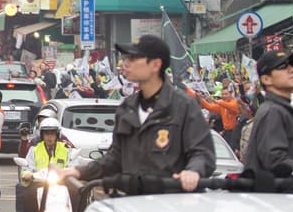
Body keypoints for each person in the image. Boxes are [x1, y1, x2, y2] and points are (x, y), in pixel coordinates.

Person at [58, 36, 215, 191]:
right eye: (126, 58)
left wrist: (193, 171)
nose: (126, 63)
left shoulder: (184, 106)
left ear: (155, 65)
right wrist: (79, 171)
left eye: (133, 58)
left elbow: (202, 153)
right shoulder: (127, 107)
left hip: (172, 204)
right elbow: (114, 159)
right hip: (133, 204)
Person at [13, 118, 69, 212]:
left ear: (57, 135)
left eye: (52, 134)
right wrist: (28, 174)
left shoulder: (66, 149)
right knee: (22, 189)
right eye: (46, 134)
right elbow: (27, 166)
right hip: (40, 183)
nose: (49, 137)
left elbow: (73, 163)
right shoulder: (34, 149)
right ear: (42, 135)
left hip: (61, 183)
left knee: (79, 191)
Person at [189, 85, 241, 150]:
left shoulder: (234, 103)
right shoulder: (222, 106)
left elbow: (230, 106)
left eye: (226, 94)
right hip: (226, 132)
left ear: (231, 94)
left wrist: (216, 101)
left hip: (234, 132)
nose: (224, 96)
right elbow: (209, 107)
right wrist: (200, 99)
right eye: (223, 94)